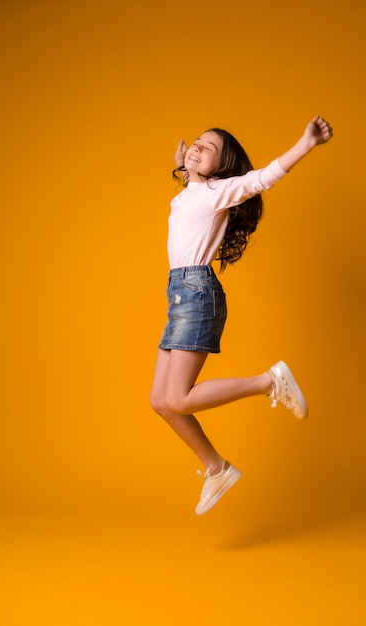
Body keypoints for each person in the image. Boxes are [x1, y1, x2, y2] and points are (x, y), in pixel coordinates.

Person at [150, 115, 333, 515]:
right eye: (196, 141)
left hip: (196, 293)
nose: (197, 147)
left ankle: (269, 382)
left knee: (178, 398)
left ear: (223, 166)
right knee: (161, 402)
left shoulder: (221, 191)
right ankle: (217, 469)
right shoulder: (192, 192)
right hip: (180, 295)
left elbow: (264, 177)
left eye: (208, 148)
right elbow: (191, 203)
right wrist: (189, 167)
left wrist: (305, 143)